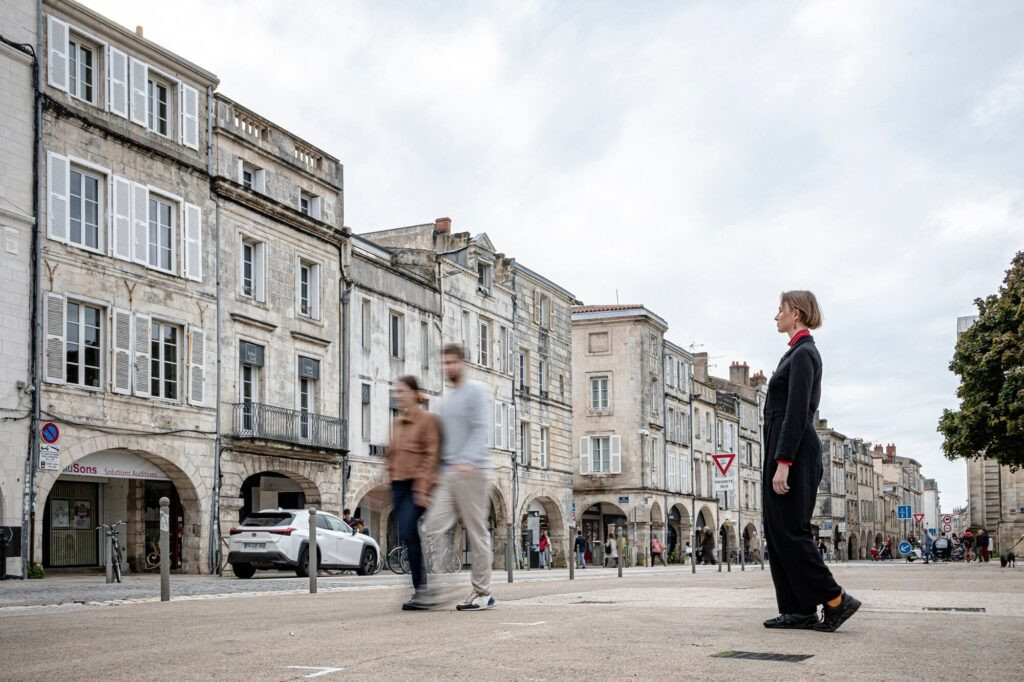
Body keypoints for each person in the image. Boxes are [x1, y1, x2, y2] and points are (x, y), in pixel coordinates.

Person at [762, 291, 860, 632]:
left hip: (795, 453)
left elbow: (798, 411)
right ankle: (798, 610)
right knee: (777, 533)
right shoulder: (793, 353)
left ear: (797, 314)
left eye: (781, 310)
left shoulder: (804, 354)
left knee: (791, 532)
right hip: (782, 450)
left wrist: (784, 461)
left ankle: (835, 599)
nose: (776, 316)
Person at [425, 344, 496, 611]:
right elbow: (444, 440)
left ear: (463, 363)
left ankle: (482, 592)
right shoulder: (445, 400)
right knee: (433, 525)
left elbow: (480, 429)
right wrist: (437, 470)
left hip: (473, 471)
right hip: (449, 474)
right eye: (444, 363)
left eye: (453, 362)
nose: (448, 368)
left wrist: (466, 461)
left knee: (477, 532)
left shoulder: (476, 390)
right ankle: (440, 585)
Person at [387, 375, 441, 610]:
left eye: (402, 391)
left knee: (410, 531)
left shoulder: (428, 420)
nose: (398, 396)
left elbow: (432, 455)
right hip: (398, 486)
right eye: (396, 391)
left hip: (416, 485)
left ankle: (423, 591)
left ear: (415, 393)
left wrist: (422, 487)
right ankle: (422, 590)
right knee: (408, 536)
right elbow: (392, 456)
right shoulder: (396, 423)